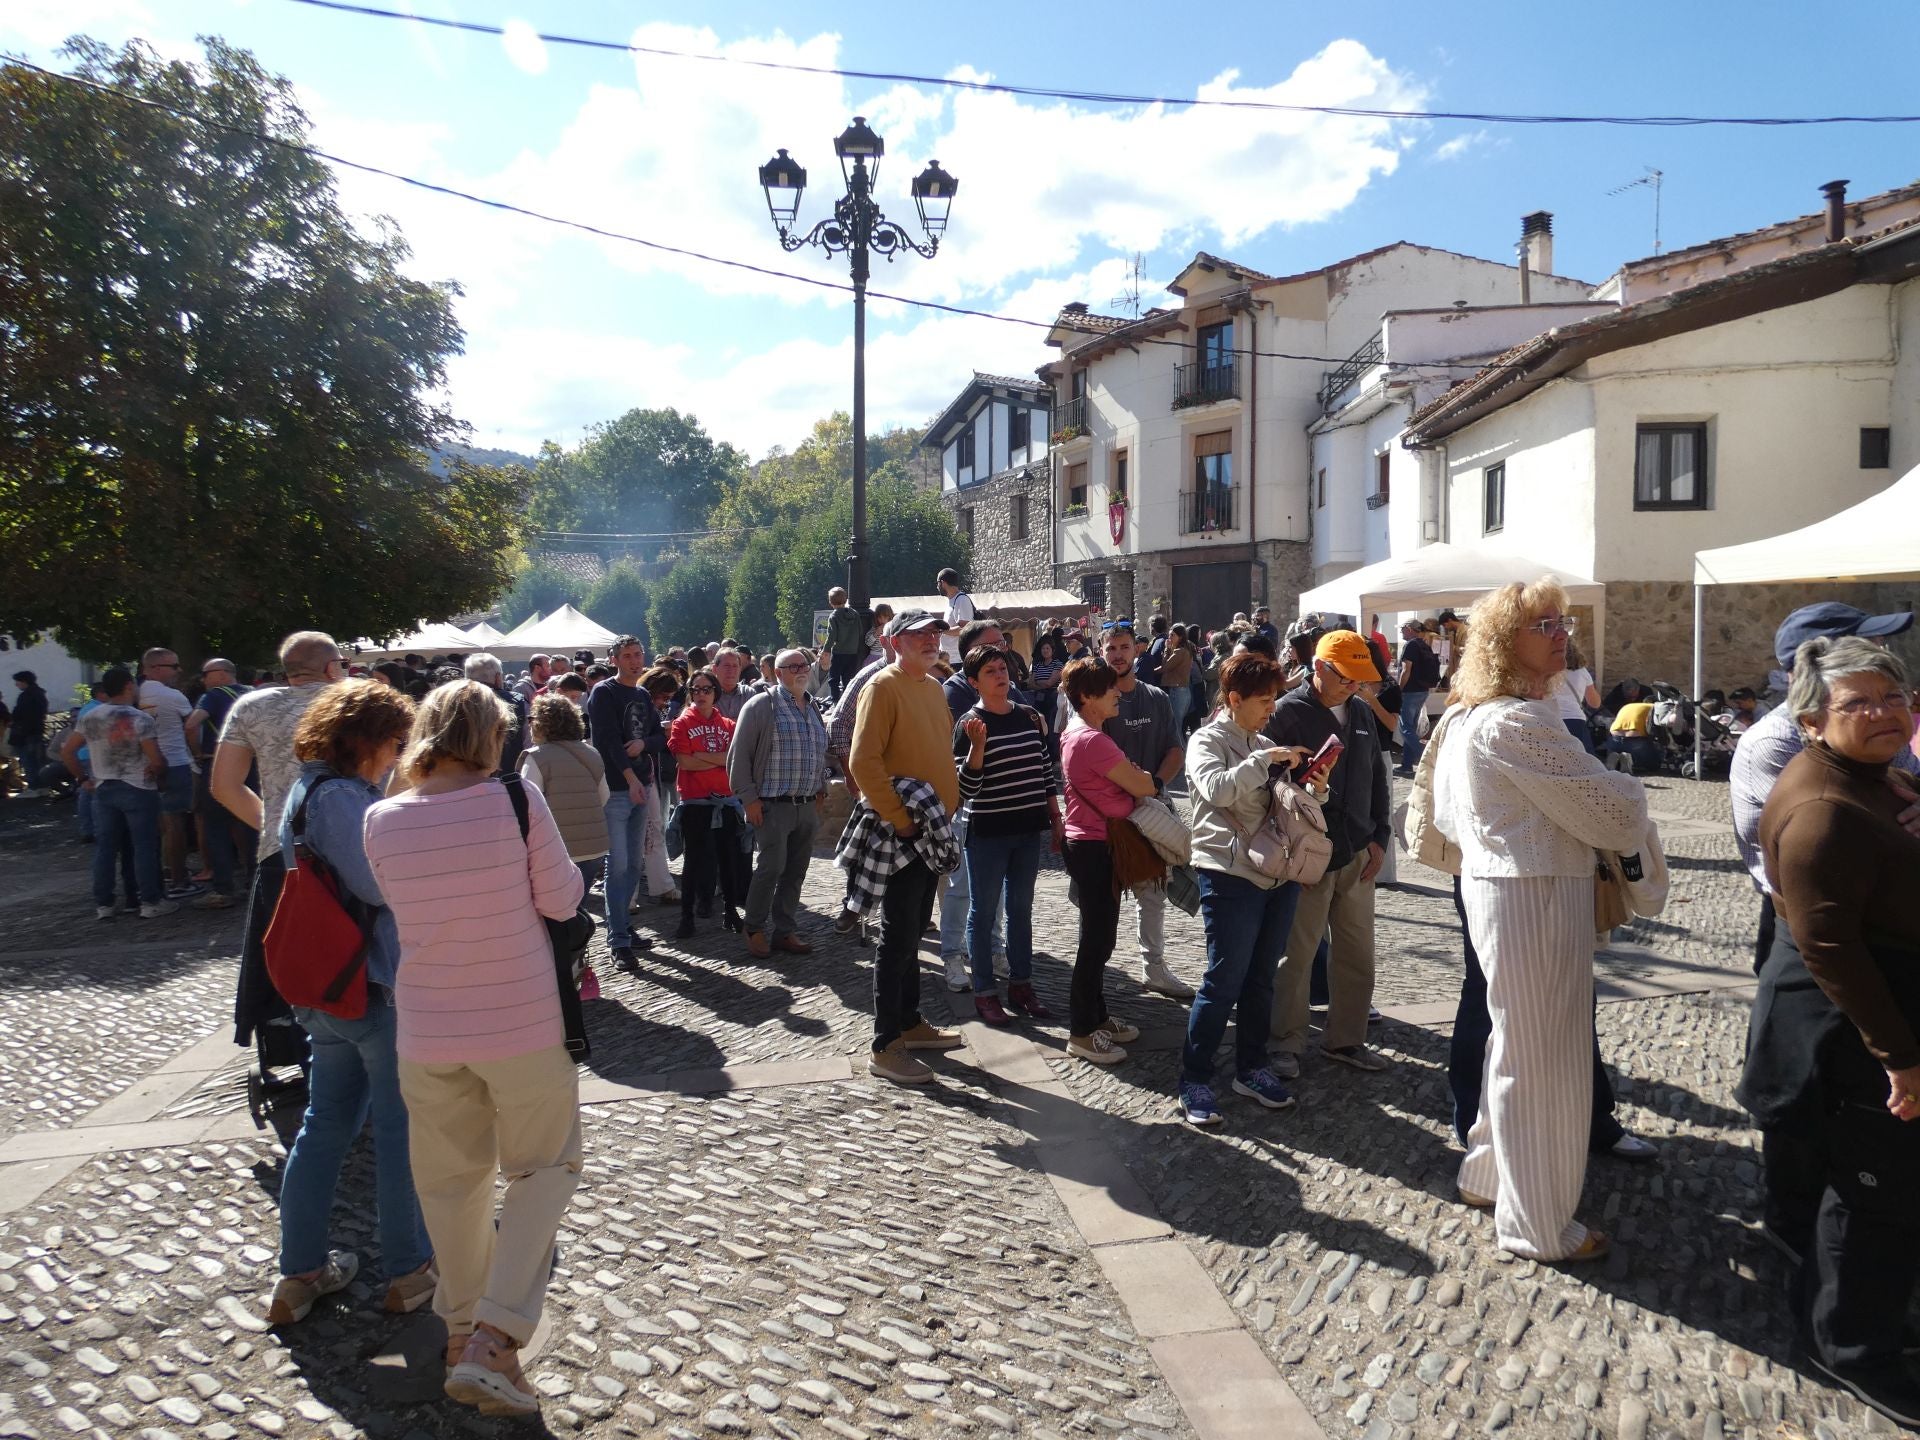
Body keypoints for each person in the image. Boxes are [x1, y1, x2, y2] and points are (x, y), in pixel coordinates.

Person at [363, 681, 586, 1420]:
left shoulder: (381, 819)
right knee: (544, 1169)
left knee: (450, 1186)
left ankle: (463, 1339)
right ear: (492, 735)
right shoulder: (515, 801)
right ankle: (494, 1338)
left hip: (428, 1029)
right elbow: (562, 899)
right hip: (519, 1022)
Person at [1433, 580, 1646, 1263]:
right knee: (1546, 1063)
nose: (1561, 633)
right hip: (1533, 893)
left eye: (1562, 621)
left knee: (1515, 1046)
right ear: (1504, 643)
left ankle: (1489, 1174)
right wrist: (1625, 787)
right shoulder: (1513, 724)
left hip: (1507, 887)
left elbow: (1442, 818)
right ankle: (1536, 1224)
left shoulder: (1476, 716)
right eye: (1544, 624)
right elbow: (1616, 815)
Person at [1737, 637, 1920, 1426]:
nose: (1883, 712)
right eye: (1859, 704)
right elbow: (1833, 950)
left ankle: (1860, 1312)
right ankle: (1850, 1348)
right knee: (1872, 1194)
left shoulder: (1875, 778)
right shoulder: (1822, 810)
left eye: (1893, 696)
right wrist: (1902, 1060)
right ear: (1812, 721)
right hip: (1852, 1035)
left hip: (1874, 1014)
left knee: (1879, 1189)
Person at [267, 680, 435, 1326]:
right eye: (396, 742)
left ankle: (301, 1271)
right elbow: (377, 884)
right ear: (367, 740)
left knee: (326, 1124)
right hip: (368, 985)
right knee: (397, 1132)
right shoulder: (341, 798)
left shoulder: (308, 789)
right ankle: (408, 1268)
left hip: (329, 987)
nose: (398, 755)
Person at [1178, 653, 1311, 1126]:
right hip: (1229, 873)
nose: (1271, 707)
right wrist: (1262, 761)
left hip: (1277, 873)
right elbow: (1216, 790)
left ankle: (1250, 1068)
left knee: (1261, 978)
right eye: (1263, 699)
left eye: (1274, 697)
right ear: (1233, 700)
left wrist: (1314, 787)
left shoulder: (1264, 741)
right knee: (1223, 981)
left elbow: (1278, 806)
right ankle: (1195, 1078)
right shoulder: (1205, 740)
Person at [847, 611, 966, 1084]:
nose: (931, 640)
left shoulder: (934, 688)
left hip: (929, 831)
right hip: (903, 833)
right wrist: (902, 823)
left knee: (914, 928)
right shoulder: (882, 685)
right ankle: (885, 1044)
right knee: (896, 937)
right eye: (920, 634)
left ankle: (910, 1021)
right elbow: (862, 763)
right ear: (894, 641)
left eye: (935, 633)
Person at [1266, 631, 1391, 1074]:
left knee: (1357, 953)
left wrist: (1381, 835)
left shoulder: (1359, 710)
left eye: (1362, 678)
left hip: (1357, 848)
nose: (1356, 685)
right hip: (1305, 854)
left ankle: (1346, 1040)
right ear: (1319, 668)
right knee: (1296, 954)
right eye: (1348, 677)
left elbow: (1377, 774)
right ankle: (1285, 1041)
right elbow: (1267, 786)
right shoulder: (1284, 713)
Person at [215, 632, 345, 1056]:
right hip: (355, 844)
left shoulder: (251, 706)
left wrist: (275, 826)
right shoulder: (356, 702)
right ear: (330, 667)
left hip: (282, 853)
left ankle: (297, 1046)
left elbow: (224, 786)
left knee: (290, 956)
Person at [953, 644, 1061, 1026]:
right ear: (974, 683)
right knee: (983, 913)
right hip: (988, 833)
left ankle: (1021, 985)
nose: (1000, 675)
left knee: (1021, 911)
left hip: (1029, 830)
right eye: (990, 672)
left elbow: (1044, 769)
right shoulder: (969, 723)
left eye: (1002, 668)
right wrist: (978, 749)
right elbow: (964, 788)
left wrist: (1055, 814)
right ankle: (984, 990)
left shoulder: (1029, 716)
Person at [1059, 657, 1158, 1066]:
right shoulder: (1092, 740)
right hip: (1095, 845)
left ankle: (1096, 1017)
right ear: (1088, 697)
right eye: (1109, 689)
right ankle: (1082, 1031)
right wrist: (1140, 779)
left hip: (1088, 843)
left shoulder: (1079, 734)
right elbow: (1143, 784)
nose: (1118, 692)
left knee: (1098, 937)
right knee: (1096, 941)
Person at [1099, 623, 1191, 1001]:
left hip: (1150, 813)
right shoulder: (1095, 699)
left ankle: (1154, 969)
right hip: (1106, 817)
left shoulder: (1155, 697)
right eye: (1111, 649)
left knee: (1151, 895)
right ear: (1102, 652)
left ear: (1136, 651)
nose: (1118, 654)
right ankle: (1096, 972)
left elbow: (1175, 749)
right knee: (1100, 899)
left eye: (1124, 647)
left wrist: (1153, 786)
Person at [729, 648, 830, 957]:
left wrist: (821, 788)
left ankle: (784, 931)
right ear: (778, 671)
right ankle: (754, 928)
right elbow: (739, 755)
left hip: (805, 804)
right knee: (770, 868)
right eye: (792, 666)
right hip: (772, 805)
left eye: (804, 664)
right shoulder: (762, 705)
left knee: (796, 871)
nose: (801, 670)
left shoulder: (812, 707)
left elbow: (817, 752)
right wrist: (749, 799)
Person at [937, 620, 1016, 989]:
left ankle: (993, 948)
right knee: (960, 886)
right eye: (993, 645)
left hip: (1003, 809)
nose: (1002, 650)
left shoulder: (1012, 688)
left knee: (995, 887)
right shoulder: (953, 693)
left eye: (1003, 644)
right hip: (965, 808)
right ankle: (952, 955)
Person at [60, 667, 174, 919]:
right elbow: (155, 759)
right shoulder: (139, 719)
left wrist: (82, 778)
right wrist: (160, 773)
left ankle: (104, 904)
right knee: (145, 846)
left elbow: (67, 751)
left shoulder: (90, 717)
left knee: (106, 848)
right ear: (127, 686)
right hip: (137, 786)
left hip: (103, 785)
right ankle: (150, 900)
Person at [586, 636, 661, 971]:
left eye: (638, 654)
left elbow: (660, 737)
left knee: (633, 864)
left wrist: (643, 742)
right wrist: (630, 778)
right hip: (617, 790)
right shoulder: (604, 692)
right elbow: (605, 740)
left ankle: (623, 927)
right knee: (616, 865)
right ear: (615, 659)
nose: (634, 661)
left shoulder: (643, 694)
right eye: (627, 656)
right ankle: (617, 939)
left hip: (641, 787)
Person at [668, 669, 747, 939]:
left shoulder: (728, 725)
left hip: (725, 802)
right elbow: (685, 762)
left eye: (706, 689)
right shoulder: (682, 723)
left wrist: (700, 754)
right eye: (696, 689)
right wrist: (718, 758)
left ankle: (730, 911)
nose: (700, 694)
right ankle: (686, 916)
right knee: (694, 861)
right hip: (695, 803)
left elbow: (734, 759)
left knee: (728, 860)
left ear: (715, 693)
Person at [516, 694, 610, 901]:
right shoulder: (591, 752)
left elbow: (527, 806)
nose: (530, 725)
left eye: (532, 720)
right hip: (593, 846)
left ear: (542, 723)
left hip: (556, 849)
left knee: (557, 914)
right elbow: (604, 796)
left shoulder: (536, 757)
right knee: (577, 908)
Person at [185, 658, 252, 910]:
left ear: (223, 674)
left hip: (219, 763)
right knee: (253, 823)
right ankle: (255, 881)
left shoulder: (214, 695)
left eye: (206, 673)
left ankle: (223, 889)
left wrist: (196, 752)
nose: (203, 679)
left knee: (215, 826)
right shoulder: (254, 693)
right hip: (253, 764)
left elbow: (192, 723)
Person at [139, 647, 200, 898]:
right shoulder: (173, 696)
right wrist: (197, 755)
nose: (179, 670)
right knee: (176, 823)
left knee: (160, 824)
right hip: (174, 762)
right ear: (154, 668)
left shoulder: (137, 693)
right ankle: (179, 879)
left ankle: (165, 873)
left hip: (146, 765)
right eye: (173, 666)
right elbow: (192, 727)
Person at [463, 655, 526, 778]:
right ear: (498, 678)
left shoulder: (455, 703)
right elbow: (528, 741)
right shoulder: (518, 701)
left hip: (467, 780)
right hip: (510, 779)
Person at [1395, 620, 1441, 776]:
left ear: (1409, 629)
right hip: (1422, 690)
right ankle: (1407, 765)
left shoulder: (1411, 645)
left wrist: (1399, 690)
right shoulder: (1424, 644)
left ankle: (1428, 758)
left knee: (1405, 729)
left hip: (1410, 691)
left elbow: (1406, 670)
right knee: (1411, 728)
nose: (1401, 633)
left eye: (1402, 630)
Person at [1551, 638, 1601, 754]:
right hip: (1575, 720)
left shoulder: (1547, 672)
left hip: (1552, 720)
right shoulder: (1582, 672)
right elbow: (1594, 703)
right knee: (1585, 763)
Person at [8, 671, 48, 793]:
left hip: (25, 733)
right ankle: (42, 786)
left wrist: (16, 723)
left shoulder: (27, 696)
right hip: (35, 731)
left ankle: (34, 787)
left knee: (29, 760)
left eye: (18, 681)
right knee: (37, 760)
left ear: (24, 681)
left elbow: (21, 714)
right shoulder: (39, 694)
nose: (16, 684)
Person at [1605, 695, 1660, 774]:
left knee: (1619, 754)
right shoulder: (1654, 707)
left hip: (1613, 740)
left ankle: (1616, 761)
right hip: (1635, 742)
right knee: (1654, 765)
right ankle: (1630, 762)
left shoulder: (1628, 706)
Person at [1159, 626, 1195, 738]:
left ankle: (1182, 752)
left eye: (1172, 635)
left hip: (1177, 691)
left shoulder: (1180, 651)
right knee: (1177, 726)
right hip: (1182, 691)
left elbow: (1165, 667)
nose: (1169, 638)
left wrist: (1166, 649)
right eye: (1169, 635)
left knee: (1176, 727)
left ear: (1180, 637)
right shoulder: (1184, 650)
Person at [937, 567, 975, 664]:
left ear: (943, 583)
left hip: (958, 660)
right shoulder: (952, 601)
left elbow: (964, 629)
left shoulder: (961, 600)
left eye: (937, 583)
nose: (937, 587)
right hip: (949, 659)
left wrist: (941, 630)